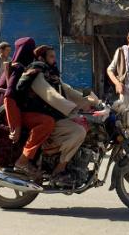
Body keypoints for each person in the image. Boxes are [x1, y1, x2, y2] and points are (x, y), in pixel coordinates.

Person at [15, 44, 96, 184]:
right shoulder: (36, 72)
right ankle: (59, 170)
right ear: (41, 57)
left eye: (54, 56)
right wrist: (71, 107)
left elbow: (67, 90)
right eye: (51, 56)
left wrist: (90, 101)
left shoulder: (51, 74)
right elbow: (50, 95)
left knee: (83, 127)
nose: (54, 60)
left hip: (53, 115)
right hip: (39, 116)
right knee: (78, 132)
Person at [0, 38, 56, 178]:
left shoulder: (26, 67)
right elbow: (9, 97)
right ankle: (23, 160)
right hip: (14, 113)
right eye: (30, 49)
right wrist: (16, 126)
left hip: (18, 110)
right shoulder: (18, 68)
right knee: (47, 122)